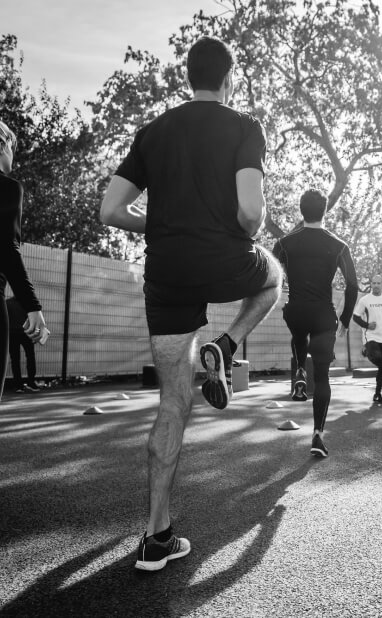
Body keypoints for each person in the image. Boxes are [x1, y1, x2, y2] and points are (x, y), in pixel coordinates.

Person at [100, 36, 283, 571]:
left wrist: (160, 225)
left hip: (167, 273)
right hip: (224, 260)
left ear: (188, 77)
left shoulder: (153, 132)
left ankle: (155, 536)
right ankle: (226, 344)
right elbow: (251, 212)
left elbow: (111, 211)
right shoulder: (244, 127)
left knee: (172, 403)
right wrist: (247, 228)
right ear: (229, 79)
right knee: (273, 277)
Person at [272, 189, 358, 457]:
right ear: (325, 211)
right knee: (322, 377)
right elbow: (353, 285)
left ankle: (299, 369)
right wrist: (345, 319)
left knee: (298, 331)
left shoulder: (284, 243)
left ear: (301, 210)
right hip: (323, 316)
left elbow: (271, 277)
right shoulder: (339, 245)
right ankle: (318, 435)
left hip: (296, 311)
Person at [0, 120, 49, 402]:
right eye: (12, 148)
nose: (13, 157)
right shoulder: (8, 188)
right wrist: (33, 306)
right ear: (2, 146)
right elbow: (7, 249)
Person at [352, 274, 382, 405]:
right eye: (374, 283)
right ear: (371, 284)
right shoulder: (364, 300)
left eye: (378, 283)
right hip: (370, 336)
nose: (376, 285)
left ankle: (377, 394)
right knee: (378, 357)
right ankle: (367, 350)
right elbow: (355, 317)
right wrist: (367, 325)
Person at [7, 296, 40, 392]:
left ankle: (18, 385)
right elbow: (34, 318)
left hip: (12, 333)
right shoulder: (28, 302)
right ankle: (31, 383)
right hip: (26, 333)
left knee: (15, 360)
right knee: (30, 357)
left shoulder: (7, 303)